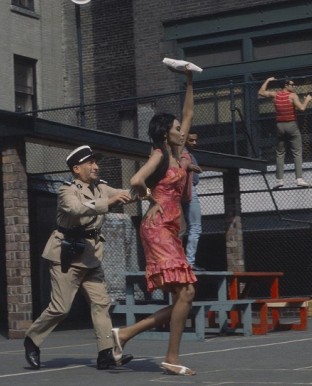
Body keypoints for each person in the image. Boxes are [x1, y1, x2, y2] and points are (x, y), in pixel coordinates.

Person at [111, 69, 198, 376]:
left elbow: (187, 112)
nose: (181, 130)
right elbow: (135, 179)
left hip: (171, 228)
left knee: (183, 297)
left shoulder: (177, 151)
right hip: (157, 226)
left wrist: (188, 81)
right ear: (166, 133)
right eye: (177, 128)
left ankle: (124, 335)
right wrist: (152, 198)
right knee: (186, 292)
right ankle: (171, 357)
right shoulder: (160, 154)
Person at [23, 145, 134, 370]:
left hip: (91, 255)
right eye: (90, 163)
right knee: (60, 308)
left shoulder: (101, 188)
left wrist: (151, 188)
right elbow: (76, 209)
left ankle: (105, 354)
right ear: (76, 168)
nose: (96, 167)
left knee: (101, 304)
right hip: (67, 254)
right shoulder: (67, 190)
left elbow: (126, 194)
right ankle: (32, 339)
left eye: (96, 162)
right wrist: (109, 202)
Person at [258, 76, 312, 189]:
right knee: (297, 153)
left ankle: (279, 180)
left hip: (279, 126)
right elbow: (302, 108)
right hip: (291, 125)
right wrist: (307, 100)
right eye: (292, 85)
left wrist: (267, 80)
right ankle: (299, 179)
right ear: (286, 85)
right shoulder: (292, 96)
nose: (294, 87)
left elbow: (261, 92)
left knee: (280, 153)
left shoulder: (275, 94)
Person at [180, 131, 205, 271]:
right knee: (195, 226)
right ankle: (189, 261)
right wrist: (189, 167)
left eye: (196, 140)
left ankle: (187, 260)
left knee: (187, 227)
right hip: (188, 191)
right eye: (191, 140)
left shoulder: (187, 153)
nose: (194, 143)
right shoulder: (183, 153)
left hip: (187, 191)